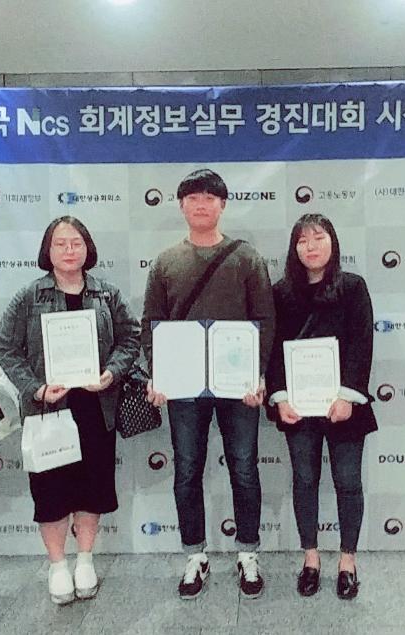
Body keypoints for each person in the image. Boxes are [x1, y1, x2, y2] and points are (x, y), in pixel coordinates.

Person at [142, 169, 275, 600]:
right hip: (182, 387)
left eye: (210, 197)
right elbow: (152, 323)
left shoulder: (247, 259)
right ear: (181, 205)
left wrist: (258, 375)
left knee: (245, 468)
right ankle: (194, 555)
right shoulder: (166, 262)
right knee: (186, 470)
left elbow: (265, 320)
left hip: (238, 387)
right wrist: (158, 375)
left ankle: (248, 552)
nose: (201, 204)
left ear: (223, 205)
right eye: (193, 198)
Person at [0, 216, 140, 605]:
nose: (69, 250)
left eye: (76, 242)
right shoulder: (29, 296)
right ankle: (58, 565)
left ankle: (85, 559)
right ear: (48, 250)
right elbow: (6, 348)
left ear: (88, 248)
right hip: (48, 411)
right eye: (60, 243)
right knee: (51, 492)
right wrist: (36, 388)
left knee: (93, 488)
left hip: (96, 407)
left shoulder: (107, 293)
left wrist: (112, 373)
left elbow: (130, 338)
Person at [265, 213, 377, 600]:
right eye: (302, 240)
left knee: (348, 481)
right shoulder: (280, 293)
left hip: (344, 405)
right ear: (294, 248)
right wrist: (280, 397)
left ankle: (348, 562)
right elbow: (272, 350)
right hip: (299, 406)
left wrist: (348, 395)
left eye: (318, 238)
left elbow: (362, 343)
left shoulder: (353, 287)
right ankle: (310, 559)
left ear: (333, 243)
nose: (311, 246)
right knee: (304, 479)